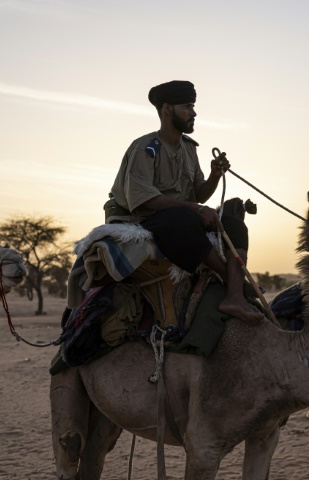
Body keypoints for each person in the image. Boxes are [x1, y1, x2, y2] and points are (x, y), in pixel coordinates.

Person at [106, 80, 264, 325]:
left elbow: (199, 194)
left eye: (193, 106)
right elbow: (143, 201)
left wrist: (214, 175)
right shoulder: (145, 149)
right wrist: (195, 209)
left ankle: (234, 296)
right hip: (146, 218)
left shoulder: (189, 149)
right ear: (167, 109)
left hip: (185, 215)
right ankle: (234, 280)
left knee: (233, 220)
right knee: (183, 219)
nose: (194, 113)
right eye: (188, 107)